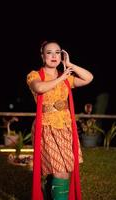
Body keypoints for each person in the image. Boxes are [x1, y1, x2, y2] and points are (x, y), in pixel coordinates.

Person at [26, 40, 93, 200]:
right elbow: (39, 88)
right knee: (60, 171)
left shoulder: (66, 78)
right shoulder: (35, 75)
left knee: (65, 168)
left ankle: (50, 190)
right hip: (46, 127)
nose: (54, 56)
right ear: (42, 56)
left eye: (57, 52)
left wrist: (70, 65)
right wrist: (62, 77)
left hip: (65, 126)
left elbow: (88, 78)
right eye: (49, 52)